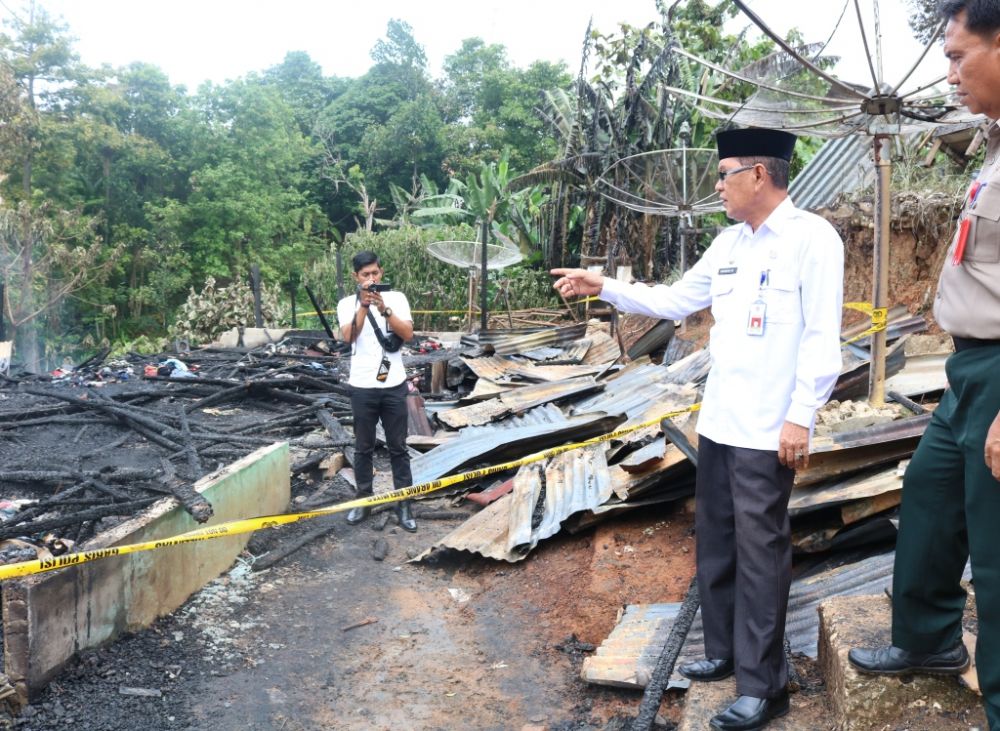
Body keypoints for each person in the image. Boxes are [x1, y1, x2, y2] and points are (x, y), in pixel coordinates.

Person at [552, 128, 844, 731]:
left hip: (769, 428)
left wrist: (801, 415)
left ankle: (766, 686)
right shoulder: (729, 243)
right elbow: (674, 300)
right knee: (715, 538)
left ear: (759, 175)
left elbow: (821, 337)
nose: (716, 185)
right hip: (722, 421)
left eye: (725, 173)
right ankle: (724, 651)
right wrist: (602, 284)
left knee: (762, 552)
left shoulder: (812, 239)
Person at [848, 2, 1000, 727]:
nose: (949, 73)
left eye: (958, 56)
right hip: (968, 367)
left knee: (996, 560)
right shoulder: (996, 145)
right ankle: (929, 639)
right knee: (932, 503)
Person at [337, 251, 417, 532]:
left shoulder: (397, 299)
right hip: (362, 386)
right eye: (365, 275)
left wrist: (384, 308)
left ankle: (404, 502)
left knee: (398, 447)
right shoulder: (346, 304)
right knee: (363, 448)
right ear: (355, 277)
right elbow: (348, 337)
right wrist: (363, 306)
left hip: (393, 384)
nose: (371, 279)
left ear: (381, 272)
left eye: (375, 273)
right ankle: (363, 500)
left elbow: (407, 334)